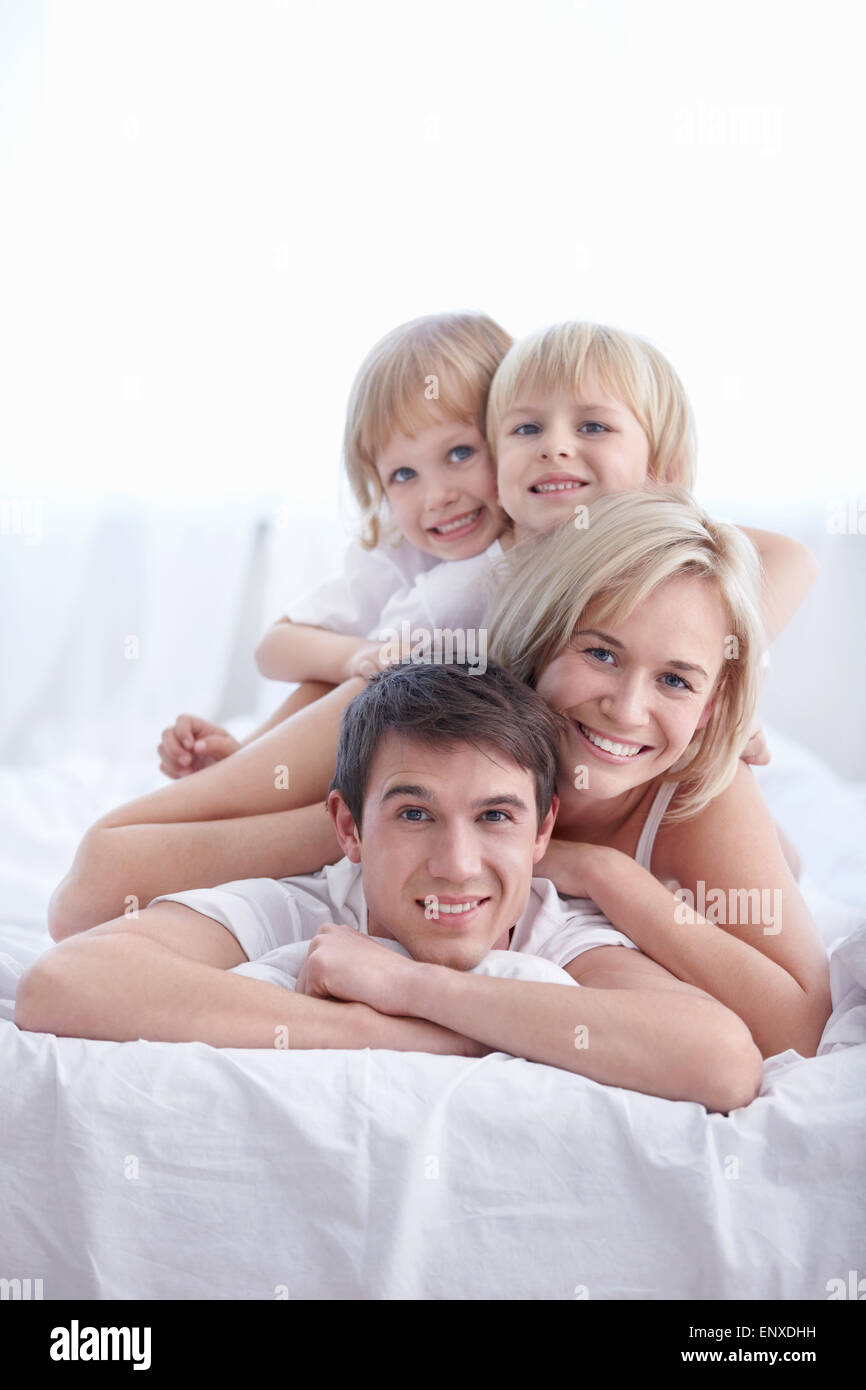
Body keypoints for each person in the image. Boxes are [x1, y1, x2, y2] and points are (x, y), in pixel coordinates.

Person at [46, 321, 814, 938]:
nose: (554, 446)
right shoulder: (464, 609)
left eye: (590, 426)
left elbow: (784, 560)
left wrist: (726, 686)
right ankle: (271, 776)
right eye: (522, 429)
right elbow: (90, 893)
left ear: (665, 473)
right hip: (385, 729)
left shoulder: (674, 586)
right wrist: (331, 823)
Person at [15, 661, 762, 1114]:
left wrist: (412, 987)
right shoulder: (310, 900)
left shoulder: (554, 927)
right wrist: (381, 1032)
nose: (457, 863)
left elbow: (723, 1061)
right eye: (414, 813)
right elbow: (63, 982)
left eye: (496, 816)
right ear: (347, 826)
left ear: (543, 832)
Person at [484, 488, 831, 1060]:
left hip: (720, 844)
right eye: (600, 654)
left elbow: (802, 1029)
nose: (624, 710)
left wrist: (605, 873)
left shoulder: (697, 795)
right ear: (541, 639)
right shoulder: (464, 741)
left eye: (675, 680)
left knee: (777, 858)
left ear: (712, 705)